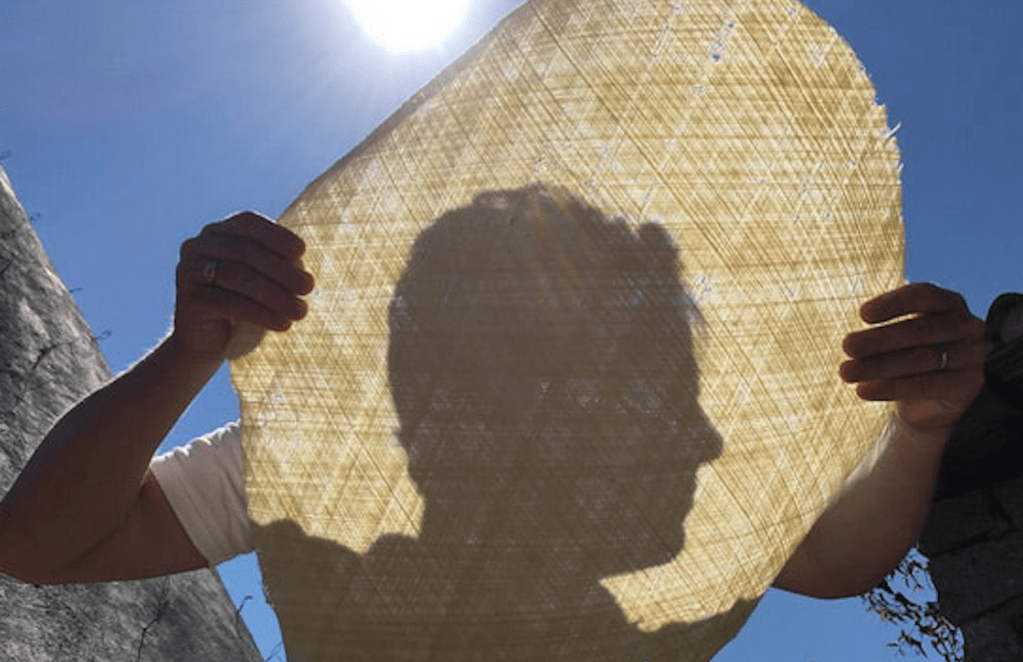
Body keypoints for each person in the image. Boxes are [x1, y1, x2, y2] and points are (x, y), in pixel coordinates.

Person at [0, 208, 986, 609]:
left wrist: (920, 430)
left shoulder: (625, 468)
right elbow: (39, 544)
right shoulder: (341, 455)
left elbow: (830, 564)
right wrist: (189, 353)